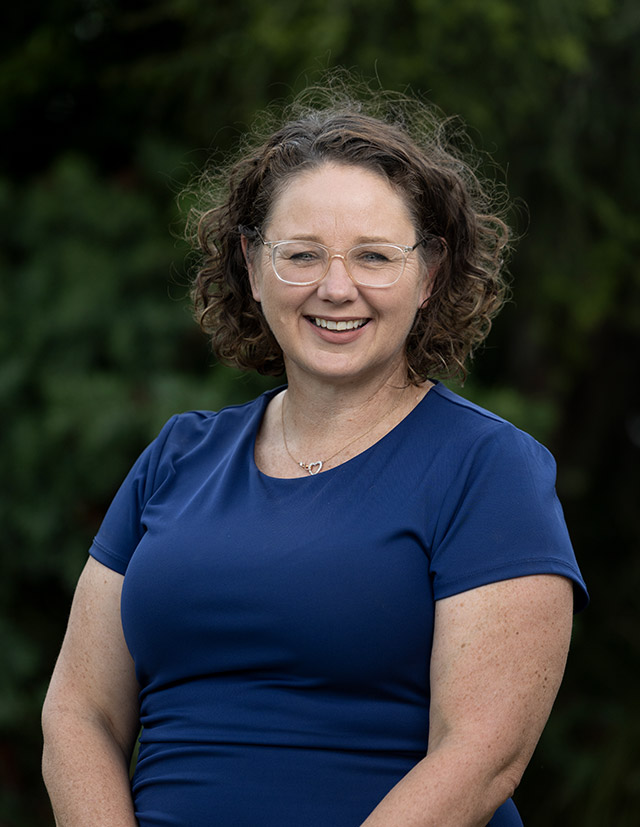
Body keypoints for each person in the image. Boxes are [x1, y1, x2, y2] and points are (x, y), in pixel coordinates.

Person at [41, 81, 588, 827]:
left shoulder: (488, 468)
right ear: (251, 264)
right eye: (301, 254)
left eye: (374, 256)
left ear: (429, 273)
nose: (337, 288)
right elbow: (78, 715)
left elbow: (481, 752)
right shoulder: (176, 458)